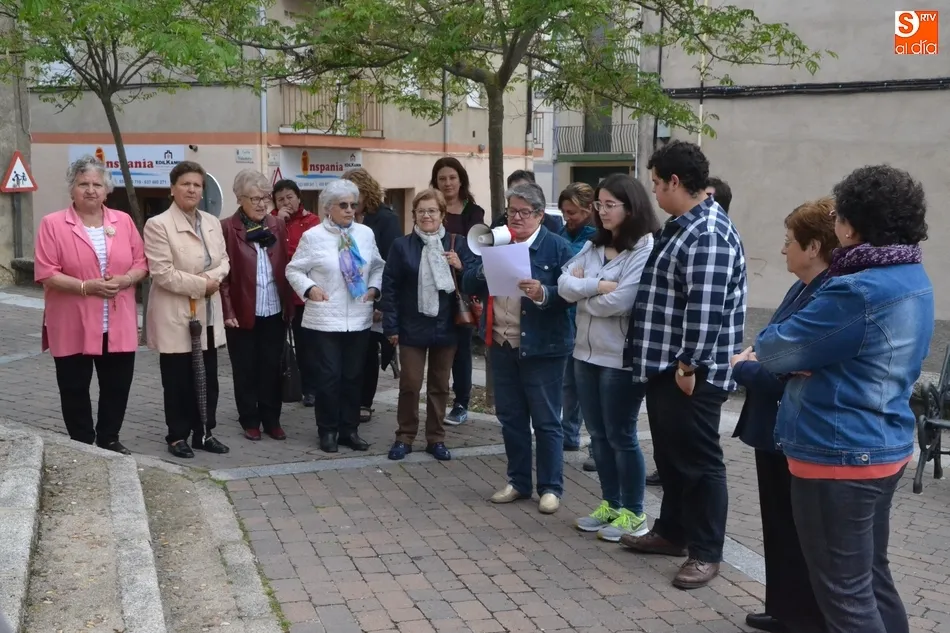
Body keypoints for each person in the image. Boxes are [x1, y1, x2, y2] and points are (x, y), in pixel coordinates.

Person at [755, 165, 933, 633]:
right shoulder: (909, 272)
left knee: (845, 595)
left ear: (851, 226)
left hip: (839, 453)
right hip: (882, 446)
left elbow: (774, 350)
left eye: (839, 217)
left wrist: (792, 353)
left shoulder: (856, 287)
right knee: (871, 579)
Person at [620, 140, 747, 590]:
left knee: (699, 462)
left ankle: (706, 551)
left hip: (690, 371)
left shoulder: (707, 232)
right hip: (665, 366)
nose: (652, 191)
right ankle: (672, 532)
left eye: (656, 183)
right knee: (672, 457)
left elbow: (705, 309)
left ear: (676, 181)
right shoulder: (682, 224)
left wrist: (688, 367)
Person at [730, 198, 837, 633]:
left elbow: (785, 368)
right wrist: (760, 358)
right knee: (777, 525)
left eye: (789, 241)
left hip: (792, 425)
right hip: (771, 426)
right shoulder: (801, 288)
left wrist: (746, 365)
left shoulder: (829, 294)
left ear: (813, 247)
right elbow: (772, 342)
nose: (782, 250)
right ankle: (784, 607)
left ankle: (802, 615)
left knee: (798, 531)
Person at [462, 182, 575, 514]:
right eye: (512, 211)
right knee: (510, 417)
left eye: (524, 212)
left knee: (546, 419)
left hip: (543, 347)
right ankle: (518, 481)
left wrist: (543, 293)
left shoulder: (557, 248)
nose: (517, 218)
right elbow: (468, 281)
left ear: (540, 215)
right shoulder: (498, 241)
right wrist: (484, 266)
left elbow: (571, 296)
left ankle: (551, 487)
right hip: (501, 341)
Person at [558, 174, 658, 542]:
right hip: (584, 353)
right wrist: (595, 288)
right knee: (597, 435)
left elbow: (624, 300)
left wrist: (583, 294)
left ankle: (634, 513)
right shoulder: (594, 245)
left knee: (621, 435)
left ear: (631, 207)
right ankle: (610, 504)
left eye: (609, 205)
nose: (601, 212)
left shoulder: (644, 247)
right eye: (598, 205)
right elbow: (562, 283)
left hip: (619, 358)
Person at [33, 155, 148, 455]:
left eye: (97, 184)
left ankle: (109, 437)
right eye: (83, 184)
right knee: (73, 388)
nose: (91, 190)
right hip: (72, 320)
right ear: (72, 189)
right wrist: (87, 287)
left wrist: (124, 280)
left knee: (117, 386)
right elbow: (47, 273)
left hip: (116, 320)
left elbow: (141, 263)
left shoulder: (122, 221)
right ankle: (82, 442)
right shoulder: (53, 224)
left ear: (107, 191)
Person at [285, 178, 385, 453]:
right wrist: (310, 288)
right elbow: (293, 270)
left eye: (353, 205)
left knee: (353, 376)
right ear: (328, 208)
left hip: (358, 316)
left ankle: (349, 430)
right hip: (325, 318)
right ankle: (327, 430)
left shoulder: (365, 234)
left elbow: (377, 266)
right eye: (343, 205)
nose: (350, 210)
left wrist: (375, 288)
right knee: (329, 377)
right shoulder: (313, 236)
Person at [144, 160, 231, 458]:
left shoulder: (210, 221)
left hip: (207, 312)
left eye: (196, 185)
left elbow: (224, 261)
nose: (191, 189)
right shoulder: (158, 225)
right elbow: (162, 273)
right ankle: (177, 436)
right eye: (185, 184)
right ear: (172, 188)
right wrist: (201, 285)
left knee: (208, 377)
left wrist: (211, 279)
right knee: (178, 380)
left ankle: (204, 433)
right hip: (175, 314)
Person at [382, 188, 476, 461]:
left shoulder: (457, 244)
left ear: (442, 215)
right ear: (413, 215)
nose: (426, 216)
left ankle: (436, 438)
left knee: (440, 385)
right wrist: (392, 327)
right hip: (412, 326)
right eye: (421, 211)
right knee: (410, 384)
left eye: (432, 210)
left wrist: (460, 267)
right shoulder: (402, 246)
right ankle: (405, 436)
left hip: (447, 326)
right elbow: (390, 289)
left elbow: (476, 278)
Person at [221, 169, 295, 441]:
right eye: (255, 198)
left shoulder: (276, 224)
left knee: (271, 368)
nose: (263, 203)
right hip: (242, 312)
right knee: (245, 369)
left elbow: (284, 264)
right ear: (240, 199)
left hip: (273, 309)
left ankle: (272, 419)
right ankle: (249, 419)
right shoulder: (228, 227)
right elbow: (224, 278)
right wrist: (228, 311)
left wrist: (288, 306)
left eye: (265, 197)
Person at [342, 167, 403, 423]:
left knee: (368, 351)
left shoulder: (385, 219)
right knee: (352, 351)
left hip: (375, 294)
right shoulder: (346, 219)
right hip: (350, 296)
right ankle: (348, 400)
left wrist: (383, 300)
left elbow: (391, 262)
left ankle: (365, 402)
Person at [431, 157, 486, 426]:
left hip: (460, 289)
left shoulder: (473, 213)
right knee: (438, 347)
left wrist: (461, 264)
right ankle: (436, 399)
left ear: (461, 179)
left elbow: (478, 254)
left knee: (462, 350)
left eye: (452, 177)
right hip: (432, 290)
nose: (448, 183)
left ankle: (461, 402)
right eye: (442, 178)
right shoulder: (430, 207)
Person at [554, 183, 597, 468]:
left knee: (589, 387)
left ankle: (596, 443)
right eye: (563, 212)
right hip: (566, 320)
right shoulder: (563, 231)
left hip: (587, 321)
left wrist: (571, 276)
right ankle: (569, 434)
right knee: (568, 382)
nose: (567, 217)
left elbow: (571, 266)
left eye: (572, 212)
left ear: (588, 210)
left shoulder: (595, 237)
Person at [272, 179, 320, 406]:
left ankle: (310, 388)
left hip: (302, 294)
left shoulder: (312, 221)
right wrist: (277, 223)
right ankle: (279, 386)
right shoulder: (269, 221)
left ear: (299, 197)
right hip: (276, 293)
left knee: (306, 345)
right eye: (280, 199)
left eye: (289, 197)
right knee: (275, 343)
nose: (286, 202)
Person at [492, 169, 564, 233]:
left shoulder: (552, 225)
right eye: (514, 190)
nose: (519, 194)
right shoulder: (498, 224)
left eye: (525, 212)